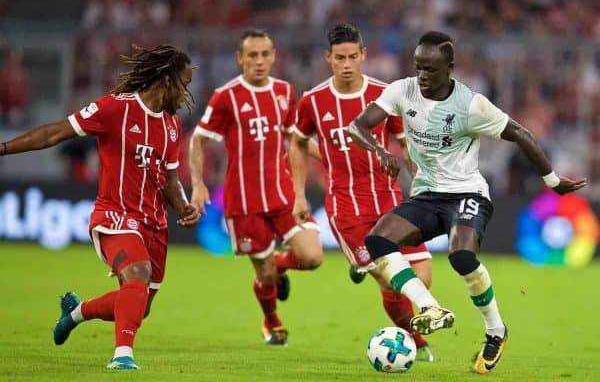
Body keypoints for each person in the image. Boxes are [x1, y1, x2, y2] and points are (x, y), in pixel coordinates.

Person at [348, 31, 587, 374]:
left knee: (461, 256)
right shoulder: (403, 90)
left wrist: (551, 181)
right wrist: (380, 151)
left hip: (467, 193)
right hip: (428, 194)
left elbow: (520, 134)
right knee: (377, 240)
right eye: (418, 68)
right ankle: (431, 309)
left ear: (450, 68)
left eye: (430, 69)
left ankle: (496, 331)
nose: (423, 77)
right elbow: (358, 126)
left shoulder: (472, 106)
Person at [0, 45, 201, 370]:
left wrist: (183, 205)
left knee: (138, 305)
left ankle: (76, 312)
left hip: (155, 224)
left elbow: (170, 180)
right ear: (166, 79)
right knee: (138, 273)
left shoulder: (172, 126)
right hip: (115, 216)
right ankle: (123, 356)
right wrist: (4, 148)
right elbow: (54, 132)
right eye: (184, 84)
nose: (186, 94)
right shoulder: (114, 109)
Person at [289, 23, 437, 362]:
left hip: (390, 203)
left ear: (363, 55)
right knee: (391, 282)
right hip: (347, 209)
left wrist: (422, 175)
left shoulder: (386, 95)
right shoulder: (312, 100)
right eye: (339, 57)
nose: (345, 64)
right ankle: (415, 340)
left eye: (352, 57)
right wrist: (299, 195)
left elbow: (405, 143)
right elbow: (297, 142)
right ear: (328, 57)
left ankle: (364, 271)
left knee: (422, 278)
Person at [189, 29, 323, 346]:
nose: (259, 61)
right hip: (244, 201)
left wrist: (333, 158)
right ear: (241, 58)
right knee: (264, 278)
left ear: (274, 55)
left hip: (283, 194)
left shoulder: (284, 91)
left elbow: (296, 137)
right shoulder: (226, 96)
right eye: (252, 55)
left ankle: (277, 264)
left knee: (313, 257)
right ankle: (272, 323)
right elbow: (198, 139)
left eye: (265, 54)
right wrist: (197, 184)